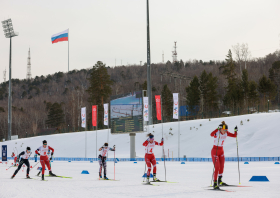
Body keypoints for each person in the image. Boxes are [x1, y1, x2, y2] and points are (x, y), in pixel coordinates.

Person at [210, 121, 238, 189]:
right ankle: (215, 183)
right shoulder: (217, 132)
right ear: (221, 129)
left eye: (226, 130)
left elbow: (234, 136)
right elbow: (211, 134)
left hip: (221, 151)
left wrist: (235, 131)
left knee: (222, 166)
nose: (225, 131)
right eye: (224, 130)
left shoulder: (226, 133)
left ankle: (220, 181)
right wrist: (217, 128)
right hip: (215, 151)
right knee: (217, 167)